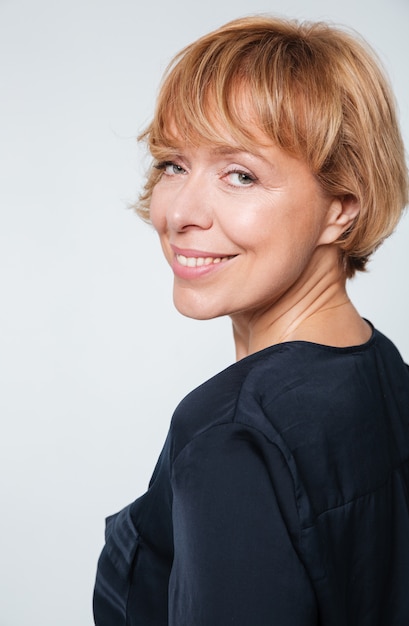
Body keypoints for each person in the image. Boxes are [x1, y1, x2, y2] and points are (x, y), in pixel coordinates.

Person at [93, 15, 409, 626]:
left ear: (340, 209)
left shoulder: (234, 439)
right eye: (173, 164)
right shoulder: (386, 371)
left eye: (240, 175)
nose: (181, 212)